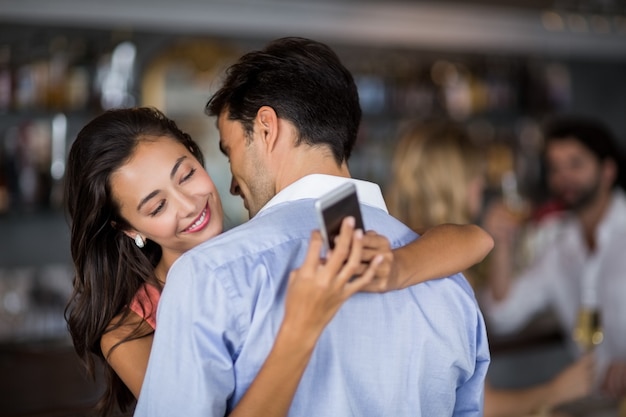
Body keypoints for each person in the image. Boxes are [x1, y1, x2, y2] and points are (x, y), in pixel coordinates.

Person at [134, 37, 490, 416]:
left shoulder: (208, 275)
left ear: (267, 128)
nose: (233, 183)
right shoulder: (450, 284)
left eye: (229, 150)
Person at [64, 107, 493, 416]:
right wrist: (301, 327)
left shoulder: (283, 228)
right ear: (129, 229)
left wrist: (398, 266)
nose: (189, 204)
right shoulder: (130, 326)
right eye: (157, 206)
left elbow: (472, 239)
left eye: (187, 174)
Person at [385, 118, 595, 417]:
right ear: (455, 184)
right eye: (476, 175)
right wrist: (556, 391)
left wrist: (501, 244)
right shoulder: (442, 266)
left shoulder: (394, 241)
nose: (482, 186)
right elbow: (484, 404)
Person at [481, 115, 626, 415]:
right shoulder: (559, 245)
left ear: (608, 170)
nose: (564, 178)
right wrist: (501, 243)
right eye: (555, 168)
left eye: (575, 164)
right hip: (599, 404)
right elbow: (504, 315)